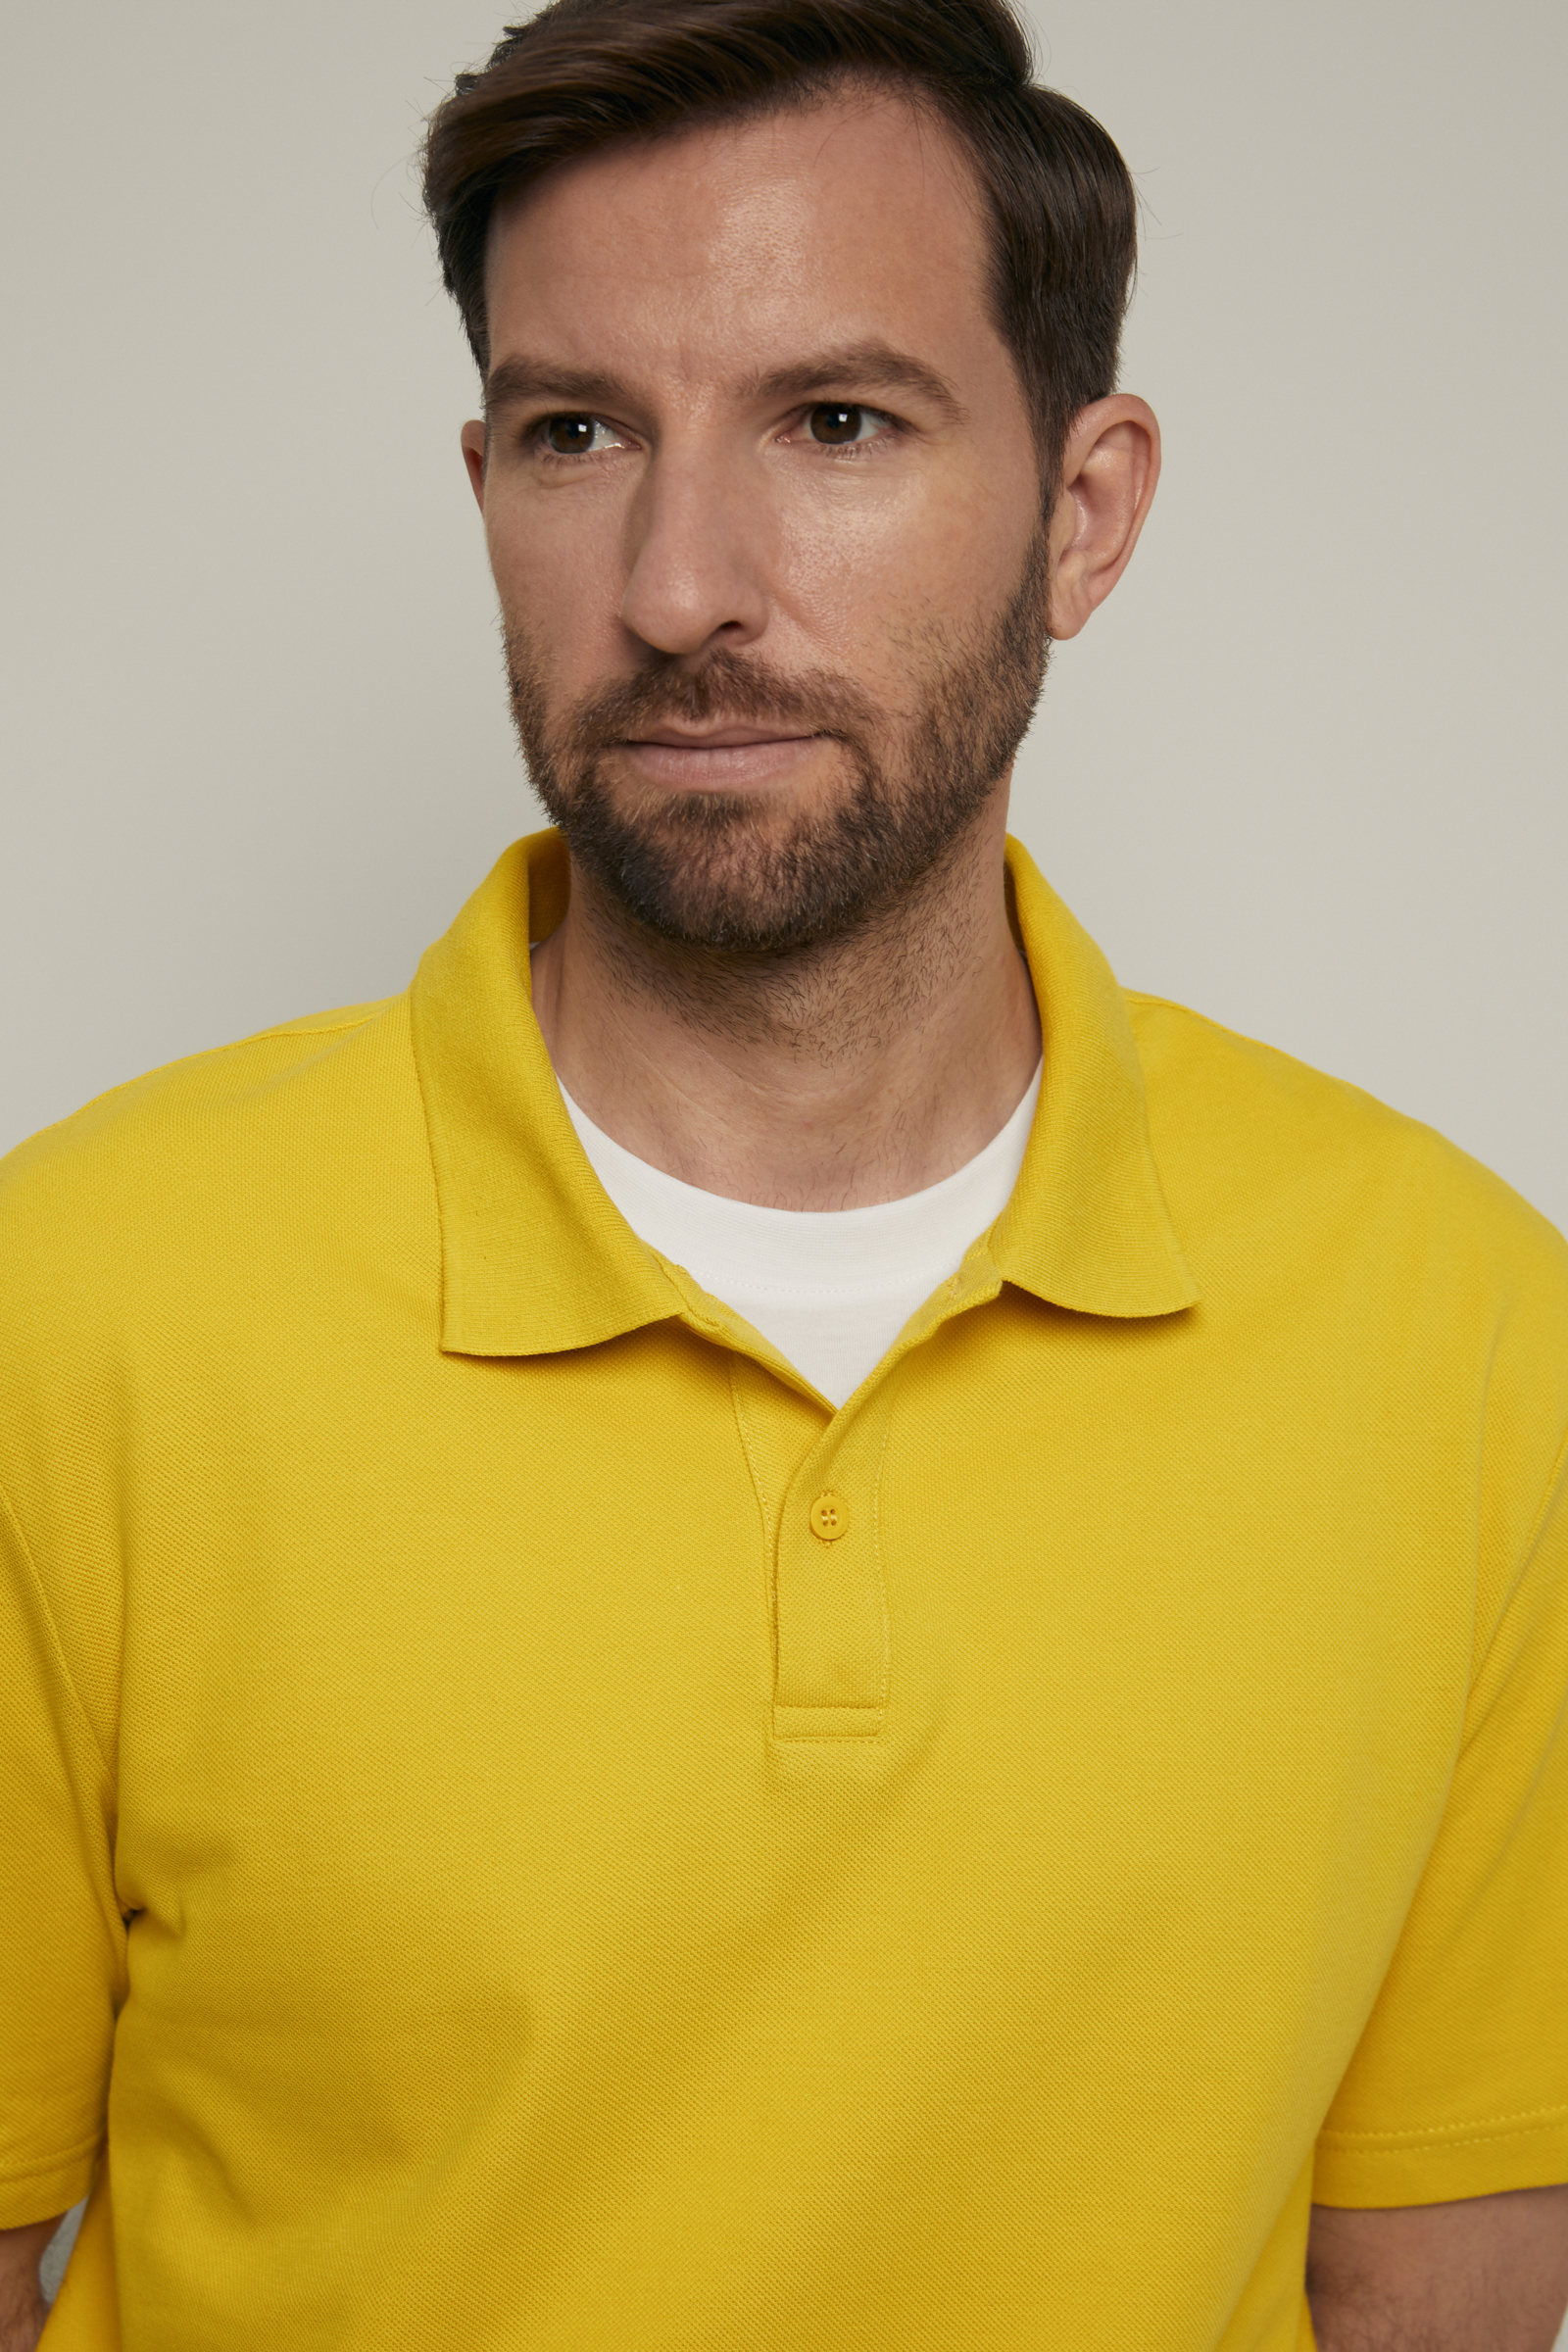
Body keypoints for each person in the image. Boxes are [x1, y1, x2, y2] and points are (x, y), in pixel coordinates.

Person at [2, 0, 1566, 2343]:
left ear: (1081, 513)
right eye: (577, 433)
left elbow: (1432, 2295)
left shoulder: (1463, 1333)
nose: (678, 586)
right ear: (484, 490)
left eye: (835, 422)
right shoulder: (70, 1304)